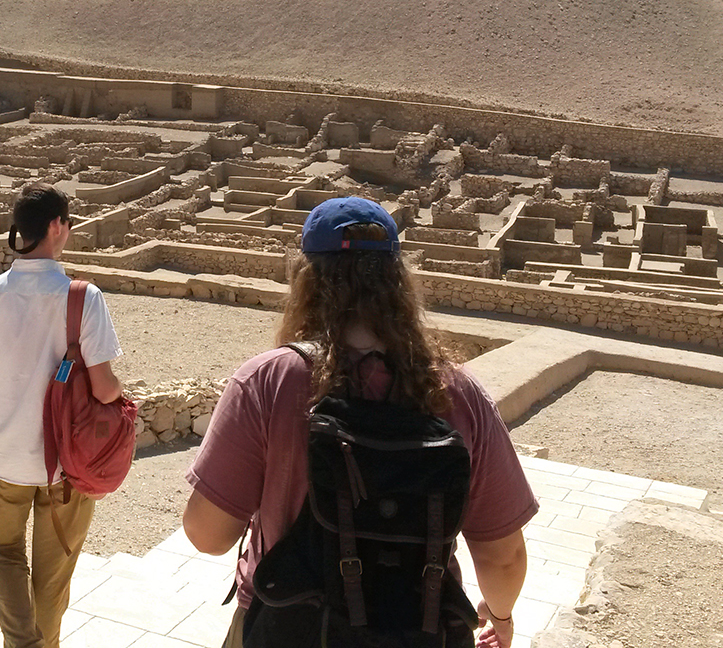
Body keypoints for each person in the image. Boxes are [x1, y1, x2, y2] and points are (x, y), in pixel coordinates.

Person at [183, 196, 539, 648]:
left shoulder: (270, 380)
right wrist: (501, 618)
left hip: (292, 627)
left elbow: (207, 534)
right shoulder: (457, 392)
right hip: (417, 627)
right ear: (398, 281)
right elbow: (503, 556)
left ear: (308, 280)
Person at [0, 183, 125, 648]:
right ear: (56, 227)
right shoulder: (83, 297)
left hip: (7, 459)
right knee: (53, 576)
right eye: (67, 224)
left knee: (2, 550)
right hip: (66, 465)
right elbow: (105, 387)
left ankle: (21, 645)